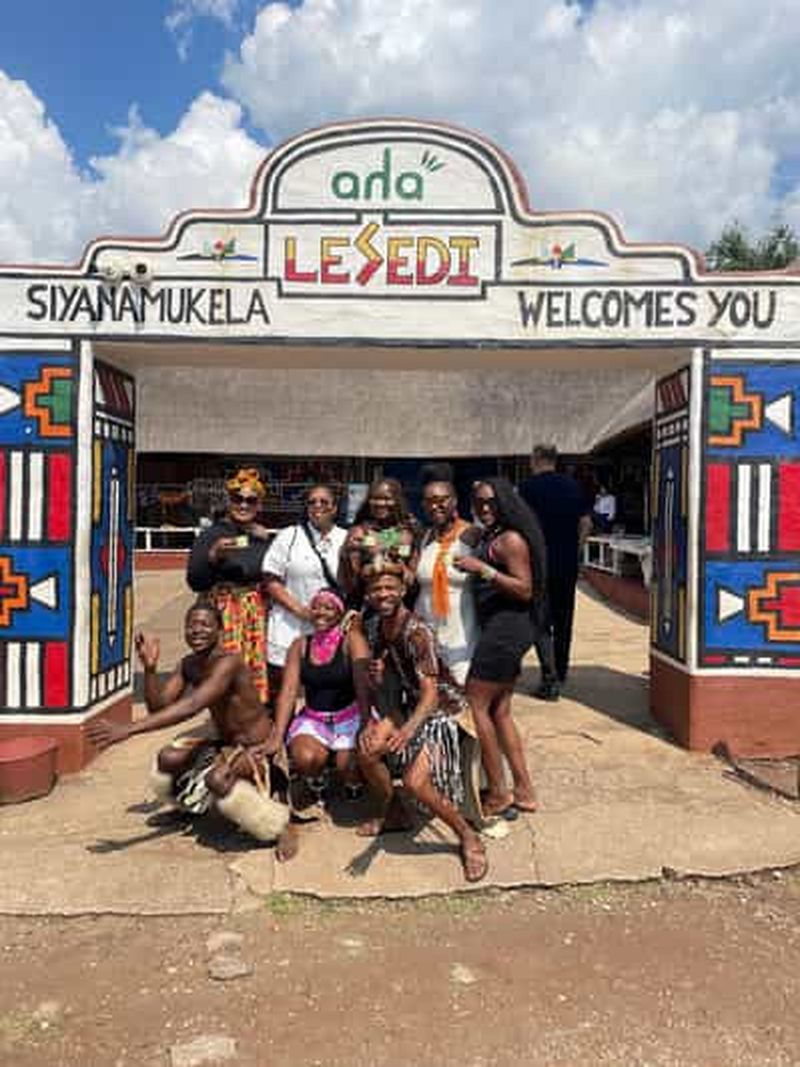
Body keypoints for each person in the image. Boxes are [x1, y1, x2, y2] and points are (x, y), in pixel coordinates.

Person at [87, 601, 292, 853]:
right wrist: (150, 669)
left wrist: (128, 729)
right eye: (191, 625)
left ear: (220, 630)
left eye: (205, 625)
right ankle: (189, 808)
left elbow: (193, 705)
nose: (197, 630)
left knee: (217, 779)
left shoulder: (229, 663)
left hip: (259, 748)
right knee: (168, 757)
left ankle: (279, 827)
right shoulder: (189, 664)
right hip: (225, 744)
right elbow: (159, 707)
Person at [356, 565, 487, 883]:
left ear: (402, 591)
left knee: (415, 781)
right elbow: (390, 682)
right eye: (376, 589)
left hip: (443, 711)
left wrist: (407, 729)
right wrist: (379, 682)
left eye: (390, 587)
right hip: (409, 705)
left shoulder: (417, 632)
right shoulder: (375, 627)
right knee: (367, 751)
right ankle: (396, 812)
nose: (383, 594)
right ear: (368, 595)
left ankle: (467, 836)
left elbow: (430, 695)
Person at [453, 477, 548, 819]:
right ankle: (524, 790)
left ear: (505, 502)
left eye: (491, 502)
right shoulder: (493, 535)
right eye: (478, 502)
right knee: (501, 710)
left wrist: (482, 569)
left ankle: (498, 792)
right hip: (506, 629)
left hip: (505, 630)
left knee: (476, 703)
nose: (484, 508)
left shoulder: (510, 540)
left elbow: (525, 589)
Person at [265, 589, 370, 796]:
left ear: (340, 613)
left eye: (328, 608)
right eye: (316, 607)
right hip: (315, 719)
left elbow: (363, 686)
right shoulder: (300, 645)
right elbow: (288, 691)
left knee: (348, 766)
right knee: (305, 759)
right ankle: (317, 775)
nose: (321, 612)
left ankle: (352, 780)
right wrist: (278, 734)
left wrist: (366, 724)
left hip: (349, 717)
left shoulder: (351, 641)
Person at [186, 468, 272, 705]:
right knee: (222, 670)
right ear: (229, 501)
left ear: (259, 505)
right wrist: (213, 556)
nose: (243, 505)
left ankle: (252, 717)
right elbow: (195, 581)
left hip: (254, 616)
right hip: (223, 615)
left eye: (250, 500)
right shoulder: (211, 535)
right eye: (237, 499)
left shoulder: (260, 537)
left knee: (251, 671)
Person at [518, 445, 592, 696]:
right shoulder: (572, 486)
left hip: (538, 564)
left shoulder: (527, 488)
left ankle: (549, 677)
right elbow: (586, 522)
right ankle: (561, 670)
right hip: (566, 563)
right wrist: (576, 550)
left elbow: (519, 525)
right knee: (564, 619)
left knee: (540, 621)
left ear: (536, 459)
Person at [261, 484, 348, 698]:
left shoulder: (346, 538)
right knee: (285, 690)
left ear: (335, 508)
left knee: (323, 688)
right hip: (290, 626)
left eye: (324, 502)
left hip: (331, 629)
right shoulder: (289, 536)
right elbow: (271, 580)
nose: (318, 506)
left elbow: (354, 579)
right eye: (312, 502)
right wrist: (301, 610)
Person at [415, 463, 479, 684]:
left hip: (462, 637)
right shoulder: (423, 536)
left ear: (455, 501)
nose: (436, 506)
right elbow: (391, 536)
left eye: (442, 499)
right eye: (429, 501)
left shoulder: (473, 535)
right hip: (426, 633)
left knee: (460, 694)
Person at [339, 477, 419, 609]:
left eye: (387, 499)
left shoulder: (408, 533)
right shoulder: (359, 532)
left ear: (397, 500)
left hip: (401, 608)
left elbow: (413, 580)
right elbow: (350, 583)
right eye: (375, 498)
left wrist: (398, 569)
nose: (380, 503)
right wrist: (354, 553)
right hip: (366, 607)